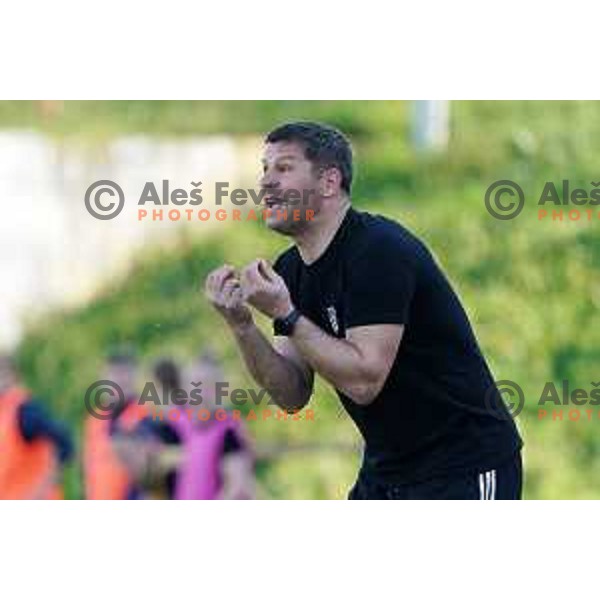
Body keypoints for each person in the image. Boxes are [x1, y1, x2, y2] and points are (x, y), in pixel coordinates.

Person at [204, 121, 523, 500]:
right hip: (389, 471)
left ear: (329, 183)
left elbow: (365, 381)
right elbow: (291, 393)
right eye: (265, 169)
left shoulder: (378, 251)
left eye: (284, 168)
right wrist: (243, 327)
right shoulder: (290, 269)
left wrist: (288, 315)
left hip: (463, 464)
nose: (266, 183)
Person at [0, 354, 73, 499]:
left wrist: (42, 491)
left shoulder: (26, 410)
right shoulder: (5, 411)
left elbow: (65, 444)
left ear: (13, 375)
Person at [83, 350, 149, 499]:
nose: (120, 381)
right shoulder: (94, 418)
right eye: (115, 374)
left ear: (135, 378)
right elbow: (89, 468)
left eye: (125, 375)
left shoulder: (146, 415)